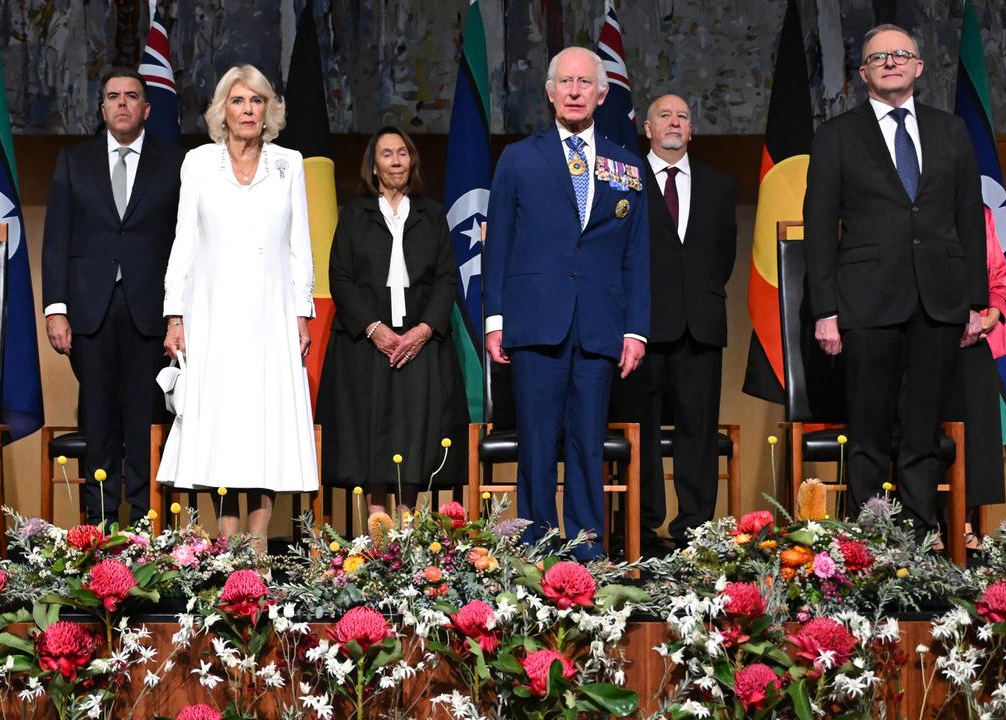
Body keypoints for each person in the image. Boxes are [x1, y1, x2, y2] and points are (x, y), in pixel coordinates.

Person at [804, 24, 987, 542]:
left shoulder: (951, 130)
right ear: (863, 72)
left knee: (923, 434)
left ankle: (919, 542)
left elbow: (968, 219)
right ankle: (868, 549)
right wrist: (825, 310)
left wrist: (975, 300)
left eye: (900, 54)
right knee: (867, 434)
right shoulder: (836, 136)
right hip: (865, 303)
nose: (890, 62)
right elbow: (819, 230)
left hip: (939, 301)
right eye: (877, 57)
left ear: (918, 67)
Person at [483, 46, 650, 562]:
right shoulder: (518, 159)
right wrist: (495, 321)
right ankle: (534, 551)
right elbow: (500, 246)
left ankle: (585, 554)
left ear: (602, 93)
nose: (575, 91)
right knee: (536, 443)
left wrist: (636, 329)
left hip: (600, 325)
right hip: (535, 324)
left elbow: (636, 254)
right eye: (565, 82)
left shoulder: (626, 165)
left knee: (586, 445)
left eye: (585, 82)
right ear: (550, 92)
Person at [159, 64, 317, 554]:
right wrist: (174, 313)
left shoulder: (289, 163)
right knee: (221, 425)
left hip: (271, 316)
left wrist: (301, 313)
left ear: (268, 110)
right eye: (238, 101)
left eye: (256, 101)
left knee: (264, 425)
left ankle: (258, 542)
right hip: (212, 315)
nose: (248, 110)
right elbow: (183, 239)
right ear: (221, 112)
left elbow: (300, 246)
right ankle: (225, 541)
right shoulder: (199, 163)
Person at [41, 68, 184, 524]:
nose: (121, 104)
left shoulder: (176, 163)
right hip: (89, 310)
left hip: (151, 310)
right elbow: (56, 240)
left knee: (145, 420)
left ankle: (144, 523)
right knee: (99, 419)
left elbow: (187, 241)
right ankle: (99, 525)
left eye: (131, 96)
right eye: (112, 97)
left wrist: (179, 315)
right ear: (101, 109)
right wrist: (55, 309)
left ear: (146, 108)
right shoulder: (73, 161)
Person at [316, 127, 469, 518]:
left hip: (421, 342)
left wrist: (422, 331)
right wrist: (373, 328)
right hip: (365, 345)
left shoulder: (431, 214)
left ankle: (409, 527)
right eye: (387, 154)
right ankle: (376, 523)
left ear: (412, 160)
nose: (396, 161)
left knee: (416, 432)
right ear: (374, 164)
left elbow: (447, 278)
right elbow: (341, 277)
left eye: (403, 153)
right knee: (371, 432)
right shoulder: (353, 215)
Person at [610, 94, 736, 554]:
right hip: (639, 330)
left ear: (692, 130)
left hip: (700, 327)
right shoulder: (623, 181)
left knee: (697, 432)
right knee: (639, 432)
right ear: (647, 128)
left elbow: (723, 258)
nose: (675, 122)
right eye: (665, 115)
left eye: (683, 116)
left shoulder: (719, 186)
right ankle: (642, 532)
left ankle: (695, 532)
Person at [943, 207, 1006, 542]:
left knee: (978, 377)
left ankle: (965, 515)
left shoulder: (979, 214)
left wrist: (992, 317)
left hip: (978, 334)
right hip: (929, 334)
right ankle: (931, 517)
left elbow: (999, 280)